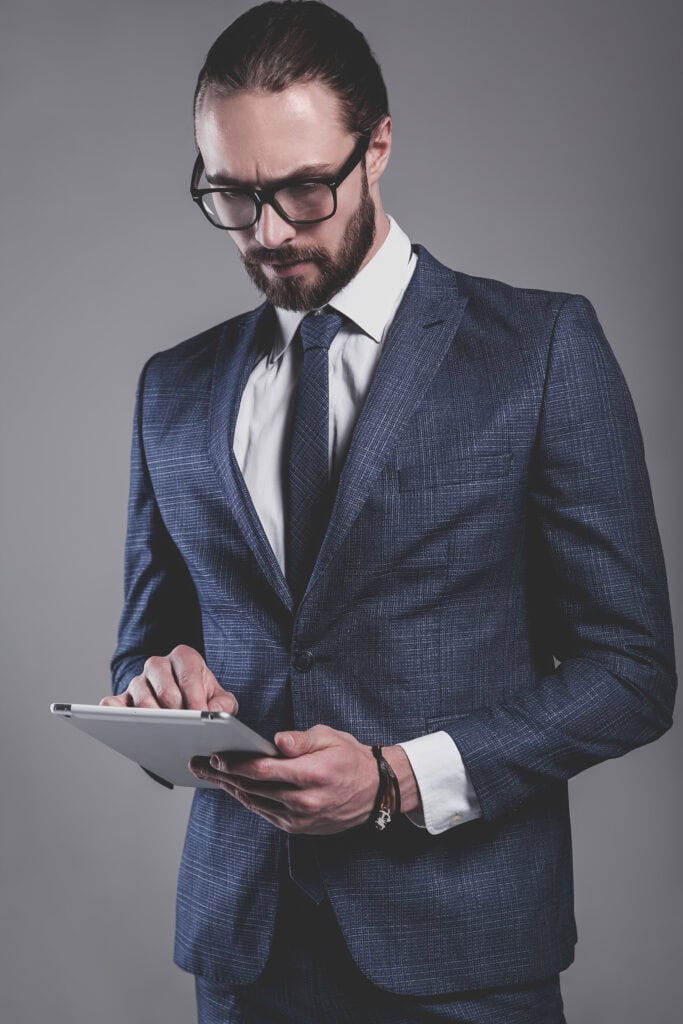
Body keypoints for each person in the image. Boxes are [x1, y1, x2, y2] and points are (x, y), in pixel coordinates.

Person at [104, 2, 677, 1021]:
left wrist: (393, 778)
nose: (269, 231)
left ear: (376, 148)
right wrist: (159, 696)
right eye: (231, 196)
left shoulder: (539, 350)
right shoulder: (172, 389)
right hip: (242, 950)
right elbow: (147, 646)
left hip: (466, 954)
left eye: (302, 189)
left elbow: (630, 672)